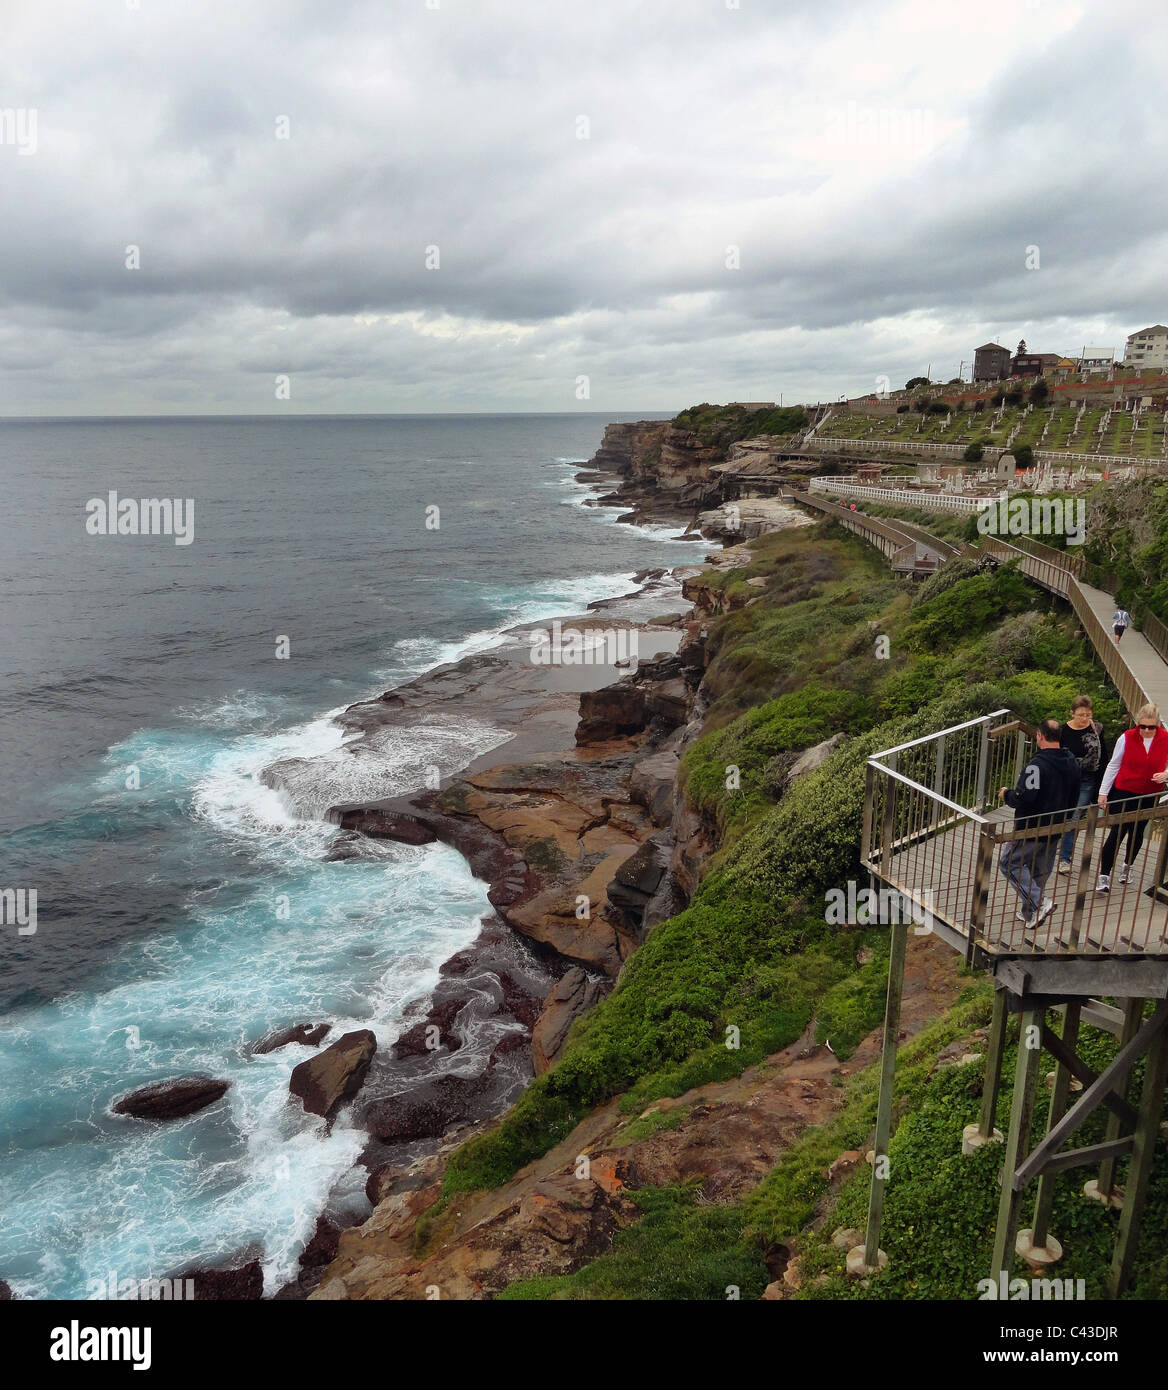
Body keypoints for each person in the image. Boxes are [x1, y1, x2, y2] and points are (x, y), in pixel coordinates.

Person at [998, 719, 1081, 925]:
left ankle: (1039, 901)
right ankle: (1031, 914)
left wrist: (1007, 794)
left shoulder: (1036, 766)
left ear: (1039, 736)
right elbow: (1075, 796)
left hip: (1031, 827)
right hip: (1057, 826)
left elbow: (1024, 797)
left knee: (1009, 864)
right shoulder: (1072, 761)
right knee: (1039, 871)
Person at [1096, 703, 1168, 892]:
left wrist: (1166, 774)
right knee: (1117, 832)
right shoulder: (1126, 738)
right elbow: (1113, 765)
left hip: (1150, 792)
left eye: (1151, 727)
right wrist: (1103, 792)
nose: (1145, 730)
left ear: (1158, 725)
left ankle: (1128, 866)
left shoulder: (1166, 739)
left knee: (1138, 832)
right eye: (1142, 726)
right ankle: (1104, 875)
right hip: (1124, 790)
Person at [1056, 695, 1108, 874]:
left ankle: (1065, 859)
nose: (1084, 718)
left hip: (1087, 779)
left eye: (1087, 714)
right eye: (1080, 715)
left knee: (1075, 816)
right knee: (1061, 815)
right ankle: (1057, 843)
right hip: (1065, 779)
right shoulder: (1063, 731)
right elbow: (1056, 755)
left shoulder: (1097, 729)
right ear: (1072, 713)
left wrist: (1102, 787)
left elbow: (1104, 757)